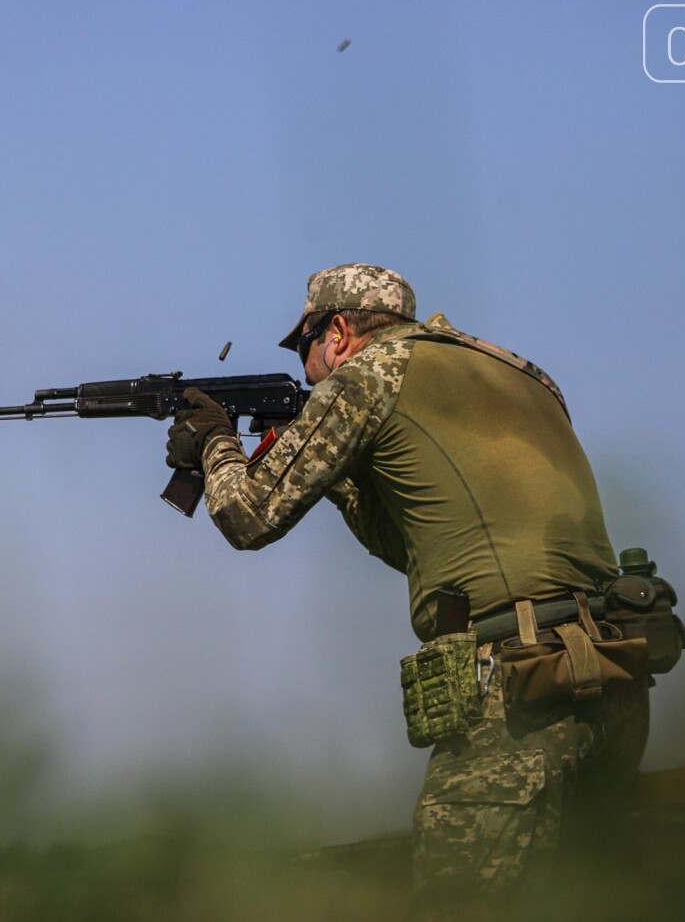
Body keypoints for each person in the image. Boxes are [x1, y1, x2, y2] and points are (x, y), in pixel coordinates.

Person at [164, 263, 650, 912]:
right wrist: (335, 472)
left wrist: (215, 443)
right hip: (615, 676)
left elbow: (247, 517)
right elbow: (432, 545)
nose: (308, 370)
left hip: (520, 690)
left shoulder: (370, 376)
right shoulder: (524, 374)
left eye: (304, 347)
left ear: (337, 332)